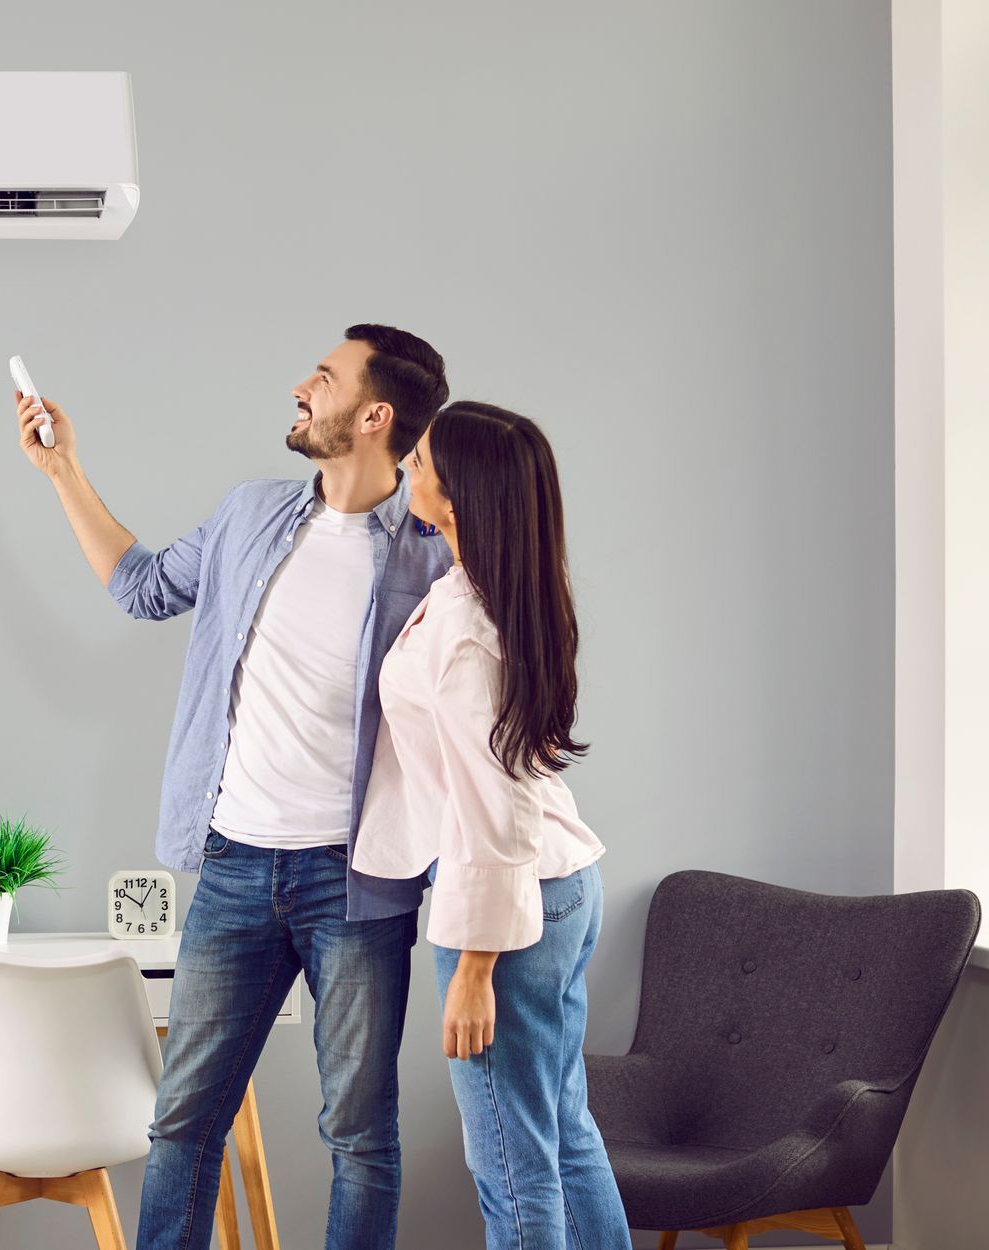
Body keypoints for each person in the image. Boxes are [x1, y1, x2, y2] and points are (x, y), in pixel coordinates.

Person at [14, 325, 452, 1249]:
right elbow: (140, 587)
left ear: (376, 415)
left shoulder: (432, 558)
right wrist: (64, 473)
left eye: (324, 379)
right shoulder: (251, 515)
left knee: (361, 1136)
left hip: (357, 882)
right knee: (181, 1124)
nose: (301, 386)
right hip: (236, 870)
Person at [354, 400, 629, 1247]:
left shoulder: (472, 632)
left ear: (460, 494)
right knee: (560, 1131)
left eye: (425, 460)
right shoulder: (491, 588)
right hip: (559, 884)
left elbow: (495, 808)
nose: (411, 468)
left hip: (507, 912)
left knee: (509, 1161)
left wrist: (474, 966)